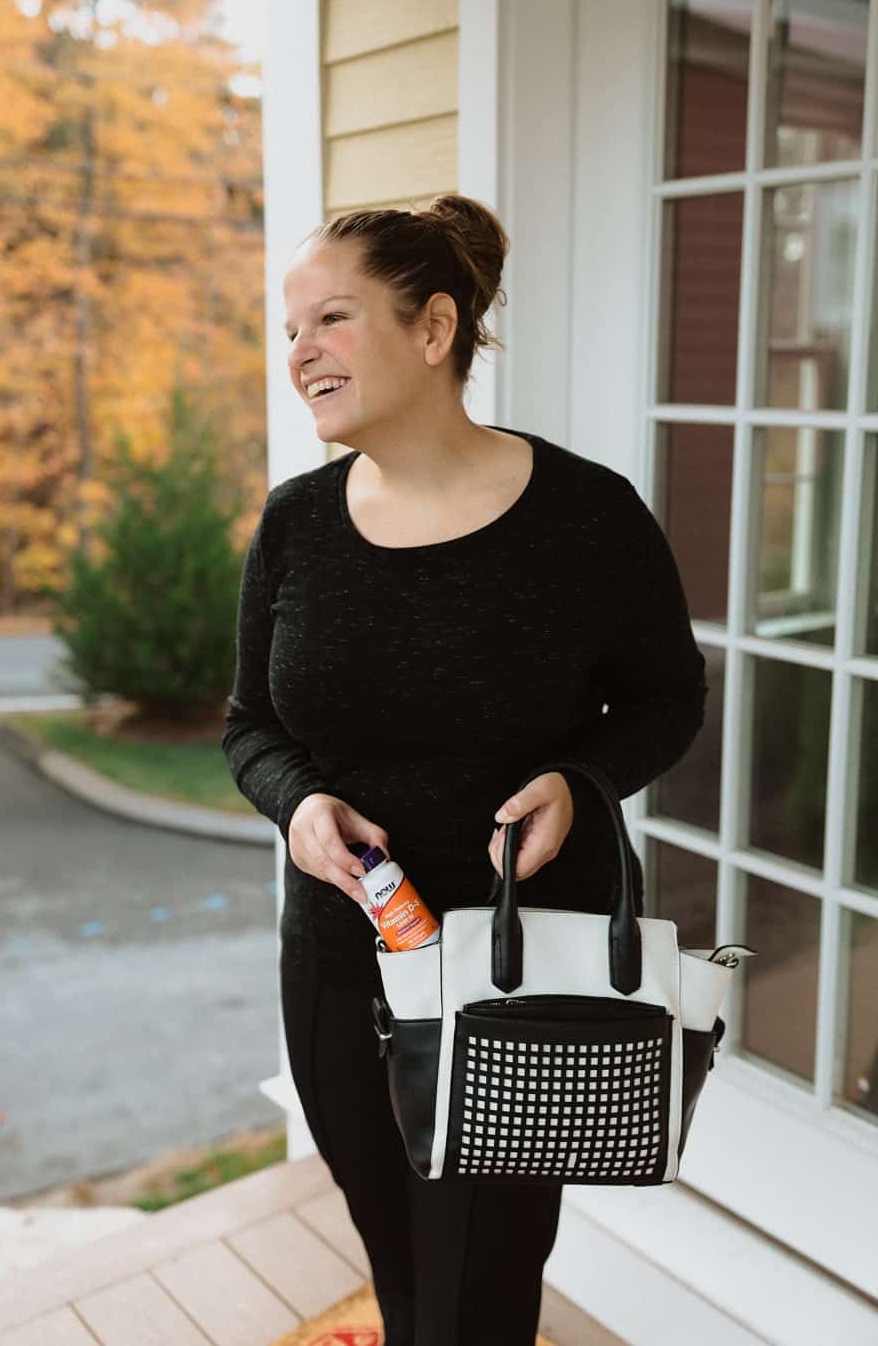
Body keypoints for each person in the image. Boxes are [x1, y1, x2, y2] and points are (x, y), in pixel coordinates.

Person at [221, 195, 708, 1346]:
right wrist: (298, 808)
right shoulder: (295, 524)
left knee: (479, 1285)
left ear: (433, 329)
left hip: (517, 967)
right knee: (396, 1252)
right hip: (343, 958)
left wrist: (579, 783)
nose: (300, 353)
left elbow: (666, 696)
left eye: (330, 319)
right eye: (289, 328)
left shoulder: (586, 517)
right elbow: (250, 727)